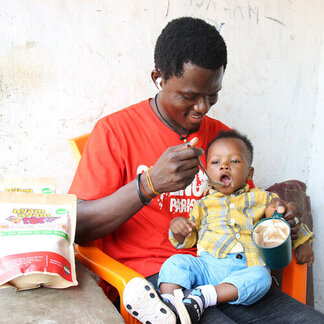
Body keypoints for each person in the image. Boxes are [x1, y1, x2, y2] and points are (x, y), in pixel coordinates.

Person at [69, 17, 324, 324]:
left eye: (212, 95)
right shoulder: (115, 131)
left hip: (230, 273)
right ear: (159, 78)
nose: (203, 108)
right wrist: (147, 185)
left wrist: (280, 219)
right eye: (190, 96)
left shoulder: (223, 141)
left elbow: (250, 211)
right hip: (158, 282)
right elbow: (77, 225)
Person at [124, 130, 313, 324]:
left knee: (261, 277)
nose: (224, 165)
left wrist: (302, 243)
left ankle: (202, 297)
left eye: (234, 161)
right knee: (176, 262)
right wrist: (178, 228)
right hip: (209, 267)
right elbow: (190, 238)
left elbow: (283, 223)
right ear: (207, 172)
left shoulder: (263, 198)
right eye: (215, 162)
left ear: (250, 172)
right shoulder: (203, 205)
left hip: (245, 269)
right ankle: (167, 306)